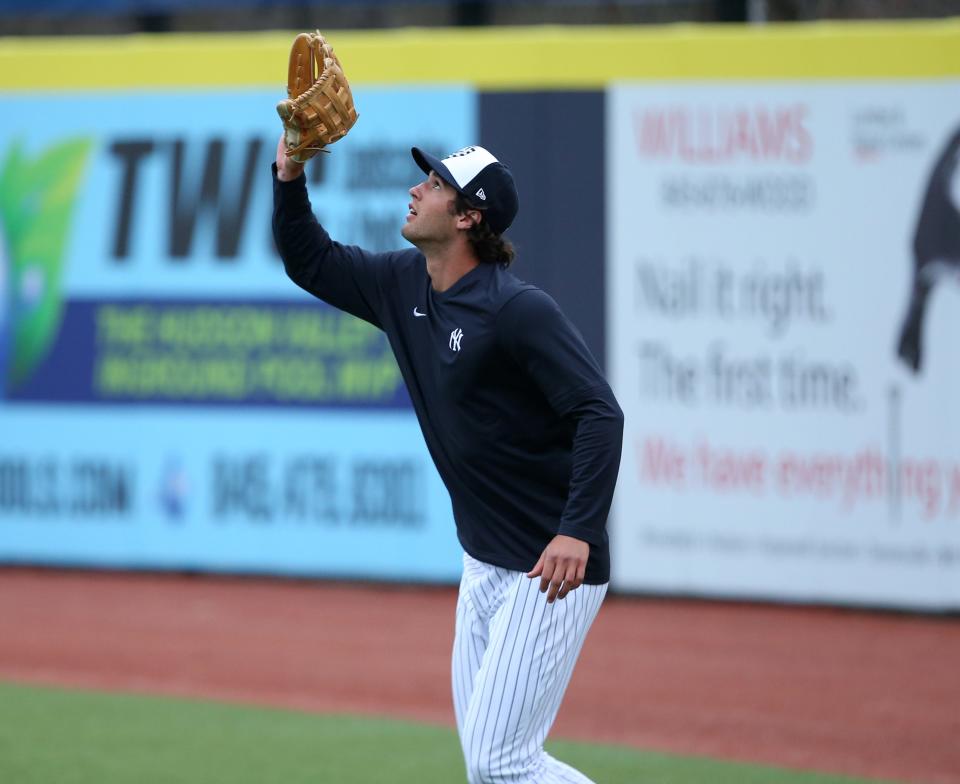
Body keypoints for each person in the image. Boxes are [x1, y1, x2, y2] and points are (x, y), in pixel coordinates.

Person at [272, 136, 624, 784]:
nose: (416, 189)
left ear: (468, 218)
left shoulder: (515, 311)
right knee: (488, 769)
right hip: (483, 562)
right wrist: (290, 174)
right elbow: (310, 260)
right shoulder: (402, 284)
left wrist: (578, 528)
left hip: (548, 568)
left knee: (499, 762)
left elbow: (601, 414)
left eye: (434, 184)